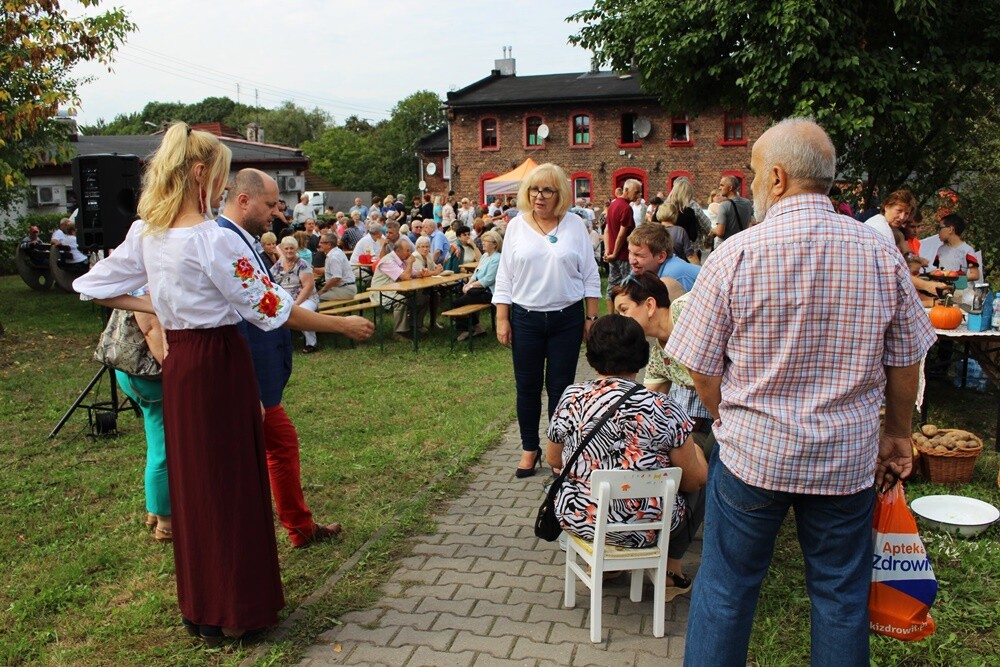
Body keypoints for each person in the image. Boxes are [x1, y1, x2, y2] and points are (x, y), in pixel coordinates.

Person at [73, 122, 373, 645]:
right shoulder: (212, 240)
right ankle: (240, 609)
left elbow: (92, 285)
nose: (221, 184)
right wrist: (340, 323)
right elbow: (271, 309)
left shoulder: (148, 232)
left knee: (195, 486)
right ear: (197, 173)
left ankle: (203, 611)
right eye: (218, 174)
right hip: (218, 363)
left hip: (183, 368)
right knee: (231, 485)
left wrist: (158, 305)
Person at [664, 117, 937, 666]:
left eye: (756, 172)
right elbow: (907, 357)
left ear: (780, 178)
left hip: (752, 457)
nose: (755, 183)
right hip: (844, 460)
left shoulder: (735, 255)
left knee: (726, 591)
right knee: (839, 597)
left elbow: (698, 364)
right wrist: (898, 434)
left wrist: (726, 418)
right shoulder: (880, 254)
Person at [218, 169, 346, 546]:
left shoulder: (243, 240)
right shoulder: (226, 241)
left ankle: (298, 527)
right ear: (244, 201)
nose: (277, 211)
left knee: (280, 445)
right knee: (266, 450)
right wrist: (338, 326)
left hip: (261, 373)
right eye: (271, 204)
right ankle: (286, 530)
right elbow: (257, 313)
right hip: (249, 374)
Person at [546, 314, 707, 595]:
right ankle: (671, 572)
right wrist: (696, 454)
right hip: (646, 527)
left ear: (592, 355)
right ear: (642, 356)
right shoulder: (664, 408)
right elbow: (693, 482)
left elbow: (552, 460)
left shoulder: (571, 397)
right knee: (700, 482)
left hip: (580, 518)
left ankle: (606, 564)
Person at [492, 163, 601, 477]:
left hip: (566, 318)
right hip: (525, 318)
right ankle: (529, 448)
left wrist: (591, 317)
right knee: (527, 387)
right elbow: (505, 276)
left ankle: (558, 450)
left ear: (560, 194)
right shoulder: (516, 226)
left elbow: (590, 275)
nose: (539, 196)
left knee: (560, 388)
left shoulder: (575, 226)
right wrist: (502, 317)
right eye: (534, 190)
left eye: (547, 190)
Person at [113, 291, 171, 543]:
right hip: (150, 374)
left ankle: (153, 511)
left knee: (156, 438)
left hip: (131, 370)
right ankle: (166, 521)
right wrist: (177, 374)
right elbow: (151, 330)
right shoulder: (149, 284)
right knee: (164, 447)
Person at [369, 236, 423, 341]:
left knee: (422, 297)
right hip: (380, 292)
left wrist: (432, 272)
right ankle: (398, 333)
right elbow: (405, 277)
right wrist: (410, 263)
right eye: (407, 250)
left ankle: (415, 325)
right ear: (398, 251)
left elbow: (416, 274)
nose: (410, 252)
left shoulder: (402, 259)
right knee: (401, 300)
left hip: (394, 290)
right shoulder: (388, 261)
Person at [273, 236, 320, 353]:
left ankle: (311, 343)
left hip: (306, 298)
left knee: (303, 312)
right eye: (286, 248)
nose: (289, 251)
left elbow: (308, 287)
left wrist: (296, 304)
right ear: (283, 250)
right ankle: (281, 343)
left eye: (292, 248)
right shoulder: (280, 263)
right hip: (285, 298)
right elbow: (270, 278)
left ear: (296, 249)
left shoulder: (302, 264)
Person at [453, 229, 502, 341]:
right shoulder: (485, 256)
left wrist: (471, 286)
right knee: (461, 296)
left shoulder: (497, 258)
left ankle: (466, 329)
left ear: (494, 244)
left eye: (486, 241)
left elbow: (489, 279)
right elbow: (476, 272)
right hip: (479, 289)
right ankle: (477, 327)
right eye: (482, 240)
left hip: (489, 292)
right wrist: (468, 283)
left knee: (458, 302)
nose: (483, 243)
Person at [628, 223, 700, 293]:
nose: (632, 261)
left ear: (661, 257)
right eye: (630, 252)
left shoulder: (674, 276)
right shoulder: (640, 270)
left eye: (639, 255)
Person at [603, 179, 640, 309]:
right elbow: (622, 234)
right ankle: (625, 314)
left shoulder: (613, 205)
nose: (638, 195)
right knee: (627, 286)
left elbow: (607, 229)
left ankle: (611, 316)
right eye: (636, 192)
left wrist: (608, 251)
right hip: (623, 255)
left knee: (612, 285)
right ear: (626, 190)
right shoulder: (626, 208)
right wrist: (614, 253)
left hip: (613, 254)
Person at [931, 213, 980, 281]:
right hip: (944, 290)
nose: (938, 232)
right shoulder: (940, 250)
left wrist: (955, 278)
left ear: (951, 229)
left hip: (962, 290)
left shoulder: (967, 250)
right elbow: (938, 271)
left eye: (940, 228)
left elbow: (975, 275)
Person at [710, 175, 754, 242]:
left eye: (722, 185)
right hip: (742, 242)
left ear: (730, 188)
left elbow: (720, 232)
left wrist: (713, 230)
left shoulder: (724, 205)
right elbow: (751, 223)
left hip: (726, 245)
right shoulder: (747, 202)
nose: (719, 188)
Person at [317, 232, 358, 302]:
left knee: (314, 298)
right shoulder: (336, 252)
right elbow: (328, 270)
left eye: (321, 243)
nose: (319, 244)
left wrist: (323, 290)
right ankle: (330, 313)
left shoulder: (334, 257)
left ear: (329, 244)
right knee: (315, 295)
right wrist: (314, 269)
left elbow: (336, 278)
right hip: (345, 288)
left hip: (345, 289)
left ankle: (326, 313)